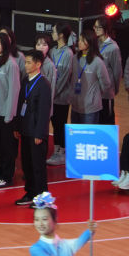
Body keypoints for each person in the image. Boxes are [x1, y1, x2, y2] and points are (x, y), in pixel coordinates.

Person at [14, 50, 52, 206]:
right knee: (27, 164)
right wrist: (17, 126)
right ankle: (30, 193)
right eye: (26, 62)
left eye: (29, 62)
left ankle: (43, 199)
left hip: (36, 131)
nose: (26, 65)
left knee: (38, 167)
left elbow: (44, 112)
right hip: (25, 129)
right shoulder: (25, 80)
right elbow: (19, 104)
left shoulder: (44, 84)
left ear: (38, 64)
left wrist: (40, 133)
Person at [28, 192, 94, 256]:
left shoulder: (65, 245)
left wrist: (90, 230)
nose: (40, 224)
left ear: (55, 220)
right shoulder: (35, 249)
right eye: (36, 219)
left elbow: (80, 241)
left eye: (44, 219)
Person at [0, 32, 21, 187]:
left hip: (6, 113)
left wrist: (10, 115)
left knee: (6, 146)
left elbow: (14, 91)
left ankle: (7, 175)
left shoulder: (11, 64)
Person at [47, 25, 74, 166]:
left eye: (54, 31)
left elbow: (64, 78)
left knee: (60, 123)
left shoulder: (68, 53)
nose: (52, 34)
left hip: (61, 97)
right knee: (54, 123)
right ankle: (56, 150)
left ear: (61, 35)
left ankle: (62, 151)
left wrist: (54, 92)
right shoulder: (52, 51)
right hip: (52, 96)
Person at [69, 30, 111, 124]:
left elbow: (106, 83)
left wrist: (94, 95)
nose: (79, 42)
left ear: (90, 42)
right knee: (76, 137)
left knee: (88, 138)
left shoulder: (97, 61)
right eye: (79, 40)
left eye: (82, 40)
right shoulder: (75, 58)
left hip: (90, 108)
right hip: (76, 105)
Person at [93, 16, 121, 124]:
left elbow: (117, 71)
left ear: (106, 29)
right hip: (95, 90)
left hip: (106, 91)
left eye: (98, 27)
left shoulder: (113, 47)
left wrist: (115, 89)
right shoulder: (95, 44)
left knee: (107, 119)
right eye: (94, 27)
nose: (95, 30)